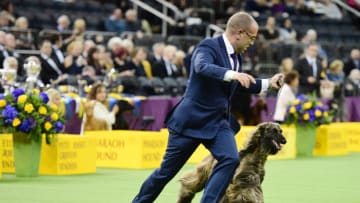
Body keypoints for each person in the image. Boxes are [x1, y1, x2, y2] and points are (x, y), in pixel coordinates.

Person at [132, 11, 283, 203]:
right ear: (239, 32)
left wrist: (269, 82)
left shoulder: (236, 57)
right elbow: (201, 67)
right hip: (191, 122)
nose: (252, 43)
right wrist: (232, 74)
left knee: (231, 159)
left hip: (218, 123)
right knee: (165, 173)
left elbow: (242, 83)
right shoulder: (208, 46)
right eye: (251, 38)